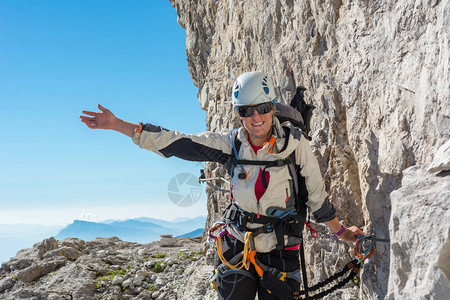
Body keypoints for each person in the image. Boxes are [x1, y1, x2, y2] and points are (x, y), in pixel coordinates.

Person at [80, 71, 364, 300]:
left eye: (263, 109)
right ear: (239, 112)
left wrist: (341, 232)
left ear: (272, 108)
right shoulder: (231, 145)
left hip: (281, 249)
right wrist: (118, 125)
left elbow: (316, 197)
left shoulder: (294, 144)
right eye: (247, 110)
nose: (256, 118)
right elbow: (180, 143)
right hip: (238, 246)